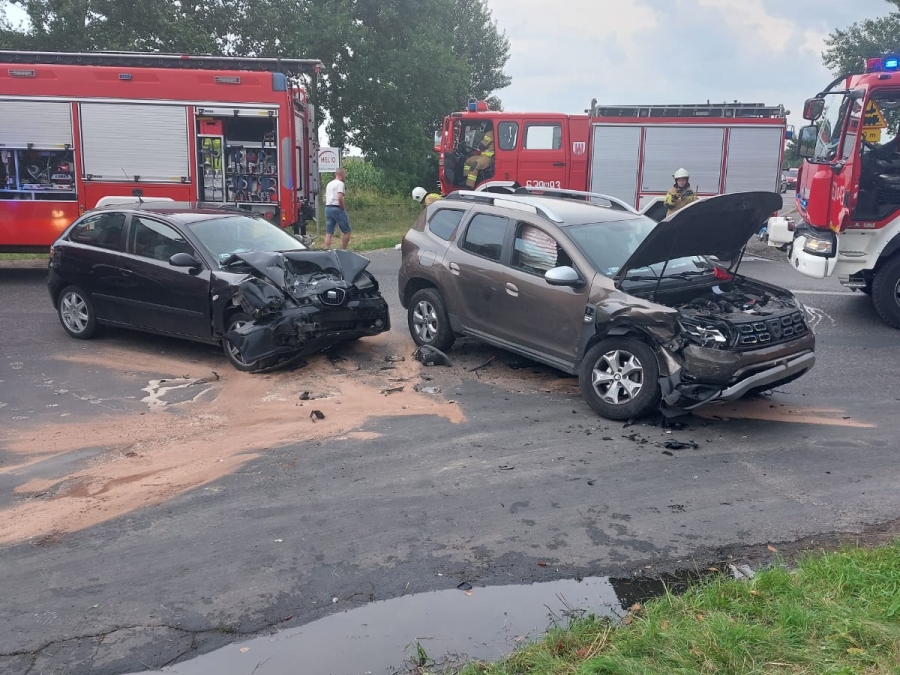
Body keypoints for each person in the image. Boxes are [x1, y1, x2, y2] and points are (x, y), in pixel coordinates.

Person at [323, 168, 351, 250]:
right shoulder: (340, 184)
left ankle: (327, 250)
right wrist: (342, 207)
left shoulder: (329, 184)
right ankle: (344, 250)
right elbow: (339, 197)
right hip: (336, 208)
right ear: (342, 175)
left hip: (328, 208)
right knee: (347, 231)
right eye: (344, 175)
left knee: (329, 232)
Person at [463, 123, 495, 188]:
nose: (482, 127)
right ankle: (465, 179)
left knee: (474, 165)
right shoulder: (490, 133)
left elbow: (482, 146)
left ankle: (469, 186)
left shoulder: (490, 133)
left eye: (483, 125)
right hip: (484, 156)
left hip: (489, 158)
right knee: (468, 161)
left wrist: (479, 144)